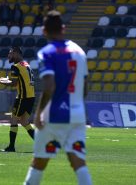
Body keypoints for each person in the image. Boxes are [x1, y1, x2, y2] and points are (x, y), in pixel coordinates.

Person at [24, 10, 92, 185]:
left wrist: (39, 112)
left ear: (43, 31)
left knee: (39, 161)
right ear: (63, 28)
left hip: (53, 117)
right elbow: (84, 88)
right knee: (78, 161)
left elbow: (49, 86)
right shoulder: (79, 52)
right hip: (77, 116)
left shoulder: (46, 53)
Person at [0, 47, 35, 152]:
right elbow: (16, 79)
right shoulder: (26, 64)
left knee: (14, 119)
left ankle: (11, 147)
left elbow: (13, 83)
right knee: (24, 121)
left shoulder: (15, 66)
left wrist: (0, 82)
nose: (8, 56)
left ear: (16, 54)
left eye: (10, 53)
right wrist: (3, 79)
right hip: (31, 97)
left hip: (23, 97)